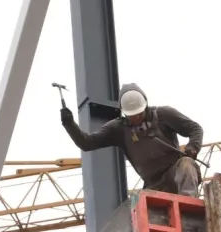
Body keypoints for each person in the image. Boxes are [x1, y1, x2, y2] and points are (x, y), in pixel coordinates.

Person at [60, 83, 204, 197]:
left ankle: (189, 209)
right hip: (153, 186)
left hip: (176, 174)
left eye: (139, 113)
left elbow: (195, 128)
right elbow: (87, 143)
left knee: (186, 164)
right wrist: (69, 124)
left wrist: (192, 149)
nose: (136, 118)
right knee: (140, 210)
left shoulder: (163, 115)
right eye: (132, 115)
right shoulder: (118, 129)